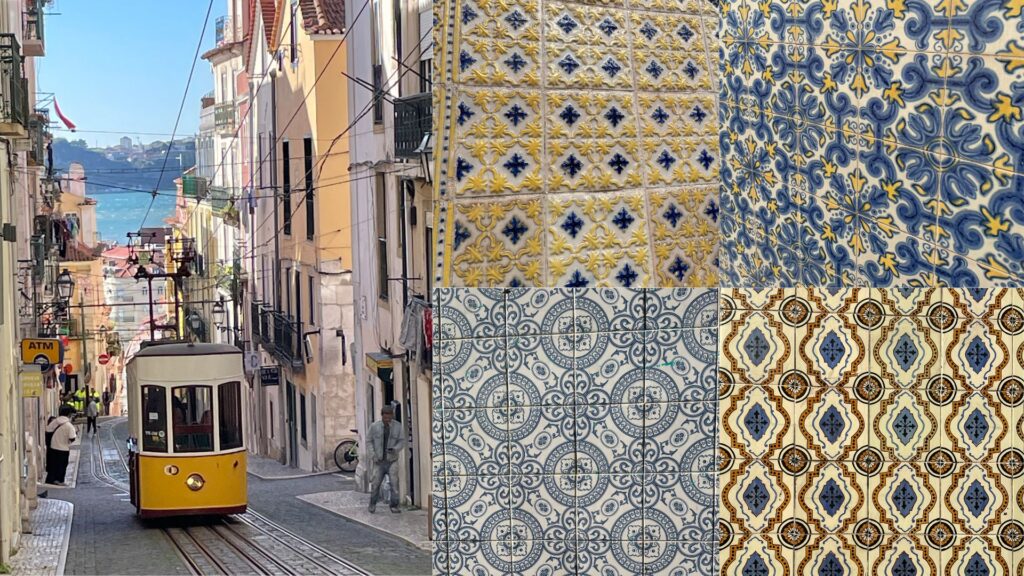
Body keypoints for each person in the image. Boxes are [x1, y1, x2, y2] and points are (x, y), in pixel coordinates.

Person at [367, 405, 404, 514]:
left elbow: (402, 441)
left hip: (392, 460)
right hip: (378, 461)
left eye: (389, 417)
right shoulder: (374, 426)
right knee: (375, 484)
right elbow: (369, 441)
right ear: (382, 416)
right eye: (385, 417)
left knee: (394, 484)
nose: (387, 419)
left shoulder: (398, 426)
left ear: (392, 416)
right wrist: (373, 455)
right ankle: (372, 504)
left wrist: (396, 449)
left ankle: (394, 506)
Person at [45, 406, 77, 486]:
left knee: (53, 465)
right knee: (62, 465)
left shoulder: (54, 422)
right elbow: (72, 438)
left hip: (52, 448)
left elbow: (48, 431)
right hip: (63, 449)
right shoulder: (69, 425)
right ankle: (59, 480)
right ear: (69, 414)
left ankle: (51, 480)